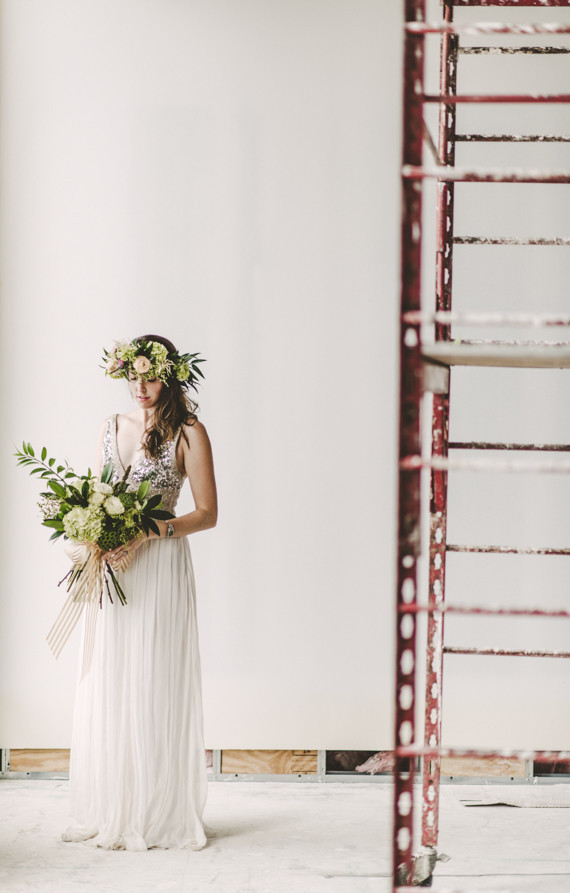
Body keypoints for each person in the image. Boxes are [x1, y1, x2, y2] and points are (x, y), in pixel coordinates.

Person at [62, 334, 218, 851]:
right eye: (134, 376)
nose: (141, 386)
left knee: (153, 678)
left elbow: (207, 513)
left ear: (169, 377)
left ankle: (156, 810)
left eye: (150, 377)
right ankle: (113, 804)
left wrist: (148, 531)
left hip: (159, 566)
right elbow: (98, 494)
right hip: (115, 566)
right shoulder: (110, 426)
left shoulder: (189, 431)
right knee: (111, 675)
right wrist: (91, 534)